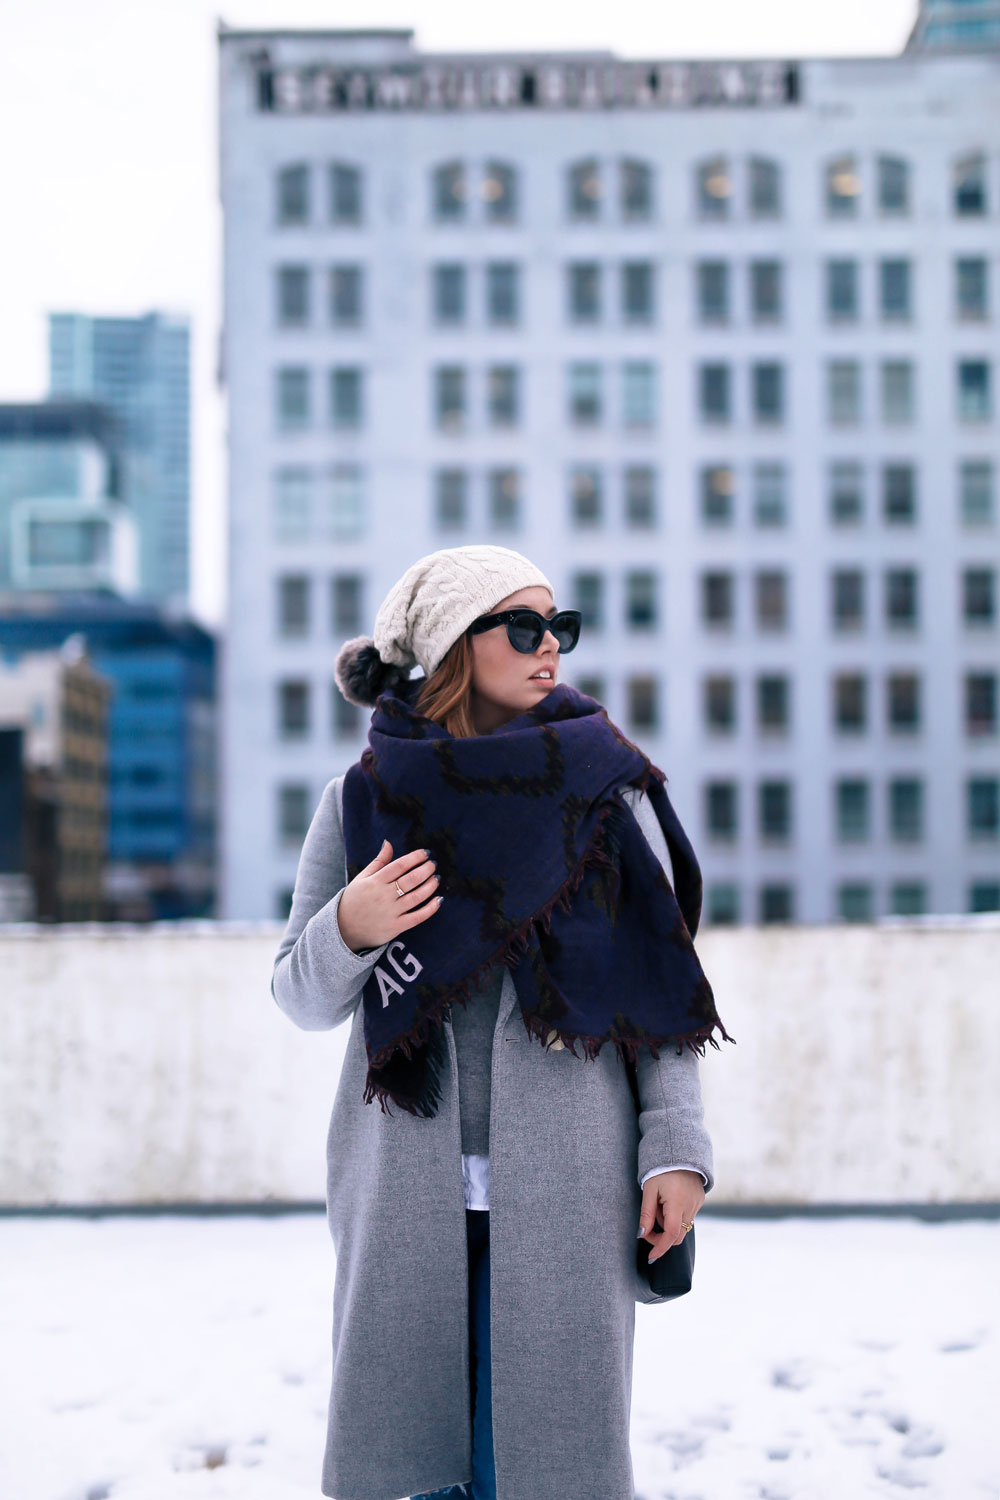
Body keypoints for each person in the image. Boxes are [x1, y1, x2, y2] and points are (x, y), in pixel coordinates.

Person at [270, 544, 730, 1500]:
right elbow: (300, 999)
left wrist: (677, 1150)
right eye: (524, 628)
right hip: (401, 1186)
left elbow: (661, 993)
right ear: (451, 645)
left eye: (561, 627)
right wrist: (351, 928)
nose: (550, 648)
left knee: (547, 1466)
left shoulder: (607, 792)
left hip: (571, 1179)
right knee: (415, 1468)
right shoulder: (360, 801)